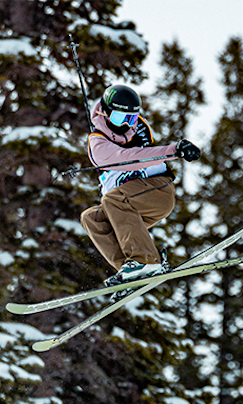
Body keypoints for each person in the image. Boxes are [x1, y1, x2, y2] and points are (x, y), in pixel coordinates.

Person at [79, 84, 201, 287]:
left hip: (157, 190)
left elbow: (142, 155)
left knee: (114, 199)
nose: (126, 125)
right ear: (105, 113)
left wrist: (175, 150)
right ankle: (132, 271)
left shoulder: (140, 130)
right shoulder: (98, 143)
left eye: (131, 118)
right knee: (92, 218)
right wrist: (172, 150)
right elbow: (127, 158)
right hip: (129, 205)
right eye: (120, 118)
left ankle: (145, 260)